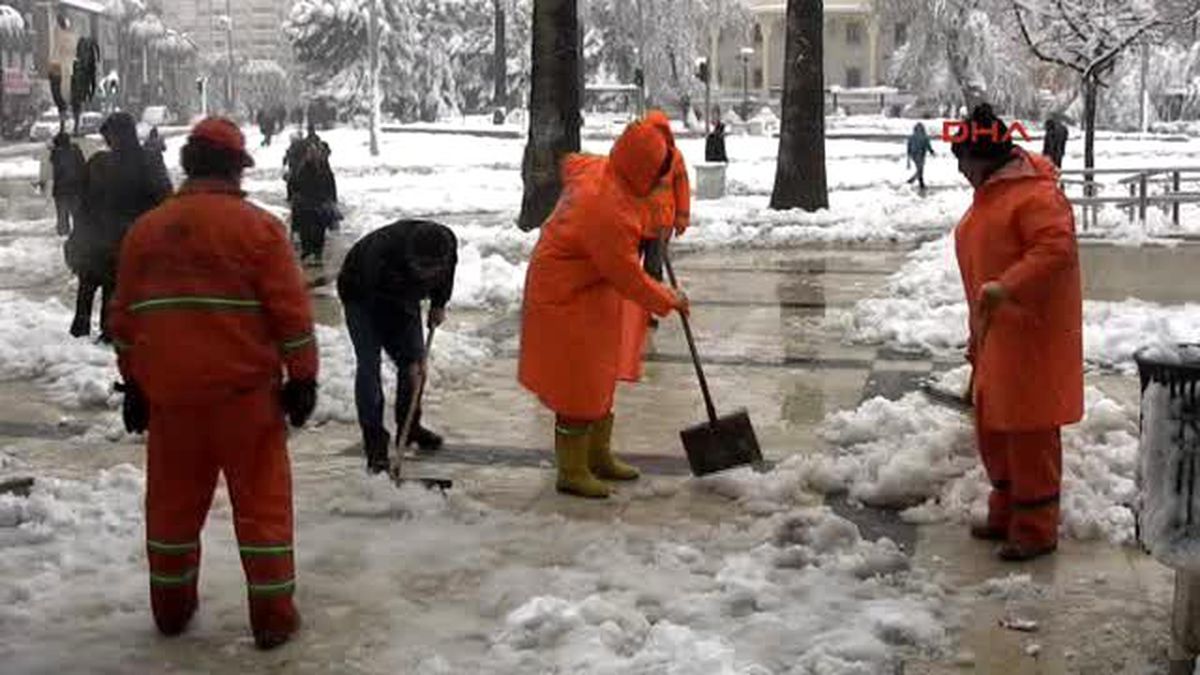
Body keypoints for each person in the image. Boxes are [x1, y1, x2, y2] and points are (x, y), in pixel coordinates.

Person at [108, 117, 318, 649]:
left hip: (171, 401)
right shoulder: (259, 230)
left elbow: (125, 320)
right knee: (262, 508)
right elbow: (291, 316)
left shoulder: (145, 232)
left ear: (188, 164)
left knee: (171, 510)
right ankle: (272, 618)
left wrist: (132, 384)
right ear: (234, 168)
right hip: (244, 401)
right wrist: (303, 379)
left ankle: (171, 612)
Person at [518, 116, 690, 499]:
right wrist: (668, 298)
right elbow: (626, 274)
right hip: (563, 296)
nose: (657, 183)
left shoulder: (605, 171)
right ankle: (573, 469)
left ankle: (598, 455)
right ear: (638, 169)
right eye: (654, 176)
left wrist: (658, 218)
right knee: (577, 382)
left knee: (600, 373)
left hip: (589, 289)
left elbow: (575, 163)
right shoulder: (604, 208)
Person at [951, 103, 1083, 562]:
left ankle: (1036, 526)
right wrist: (978, 332)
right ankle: (1006, 508)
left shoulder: (1035, 195)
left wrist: (1007, 287)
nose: (961, 171)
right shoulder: (993, 194)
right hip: (995, 334)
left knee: (1029, 431)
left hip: (1031, 336)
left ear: (983, 157)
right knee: (995, 427)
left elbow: (1056, 249)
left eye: (963, 160)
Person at [337, 220, 457, 474]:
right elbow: (377, 304)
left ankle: (410, 428)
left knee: (414, 366)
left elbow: (446, 277)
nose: (427, 274)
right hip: (362, 295)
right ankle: (375, 445)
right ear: (408, 257)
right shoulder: (380, 253)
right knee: (369, 365)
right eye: (420, 267)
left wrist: (439, 303)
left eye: (432, 269)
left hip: (404, 297)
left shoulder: (447, 243)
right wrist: (396, 329)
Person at [67, 111, 171, 339]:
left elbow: (82, 204)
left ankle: (85, 332)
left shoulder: (100, 163)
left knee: (92, 286)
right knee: (111, 288)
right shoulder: (146, 160)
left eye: (109, 137)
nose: (107, 142)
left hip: (100, 240)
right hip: (125, 240)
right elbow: (164, 199)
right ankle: (106, 332)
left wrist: (79, 237)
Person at [288, 135, 338, 265]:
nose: (314, 155)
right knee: (307, 230)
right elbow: (294, 183)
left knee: (318, 230)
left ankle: (317, 253)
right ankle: (309, 250)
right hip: (307, 204)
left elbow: (330, 184)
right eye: (312, 153)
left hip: (317, 204)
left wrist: (332, 200)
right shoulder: (304, 168)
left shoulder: (323, 168)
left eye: (316, 153)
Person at [42, 131, 86, 236]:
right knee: (77, 217)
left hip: (61, 191)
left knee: (62, 217)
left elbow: (53, 165)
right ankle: (79, 236)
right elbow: (83, 166)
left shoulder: (56, 154)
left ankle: (63, 235)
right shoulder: (76, 151)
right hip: (76, 189)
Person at [906, 122, 935, 192]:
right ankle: (916, 182)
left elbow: (908, 148)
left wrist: (908, 159)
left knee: (920, 169)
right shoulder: (924, 137)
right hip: (920, 154)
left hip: (914, 155)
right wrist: (932, 152)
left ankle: (917, 182)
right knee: (920, 169)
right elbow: (928, 146)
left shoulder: (911, 137)